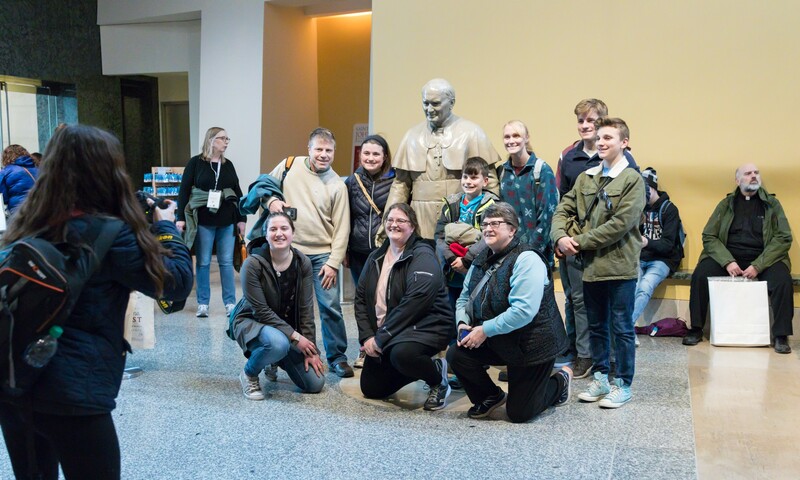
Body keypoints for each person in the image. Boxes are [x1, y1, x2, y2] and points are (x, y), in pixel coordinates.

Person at [0, 125, 193, 479]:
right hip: (74, 396)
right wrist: (166, 229)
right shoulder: (111, 234)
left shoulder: (24, 223)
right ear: (108, 171)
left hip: (15, 383)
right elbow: (176, 282)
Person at [551, 117, 645, 409]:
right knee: (597, 326)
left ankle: (622, 383)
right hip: (589, 267)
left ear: (624, 143)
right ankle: (601, 377)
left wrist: (577, 243)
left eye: (609, 138)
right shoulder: (586, 177)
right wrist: (559, 238)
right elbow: (562, 209)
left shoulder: (632, 180)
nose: (602, 143)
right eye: (600, 138)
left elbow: (620, 225)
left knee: (621, 327)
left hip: (619, 267)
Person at [446, 202, 570, 423]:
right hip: (500, 337)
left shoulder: (527, 259)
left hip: (533, 345)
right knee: (457, 353)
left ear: (512, 230)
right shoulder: (480, 258)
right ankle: (490, 396)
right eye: (485, 224)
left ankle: (560, 381)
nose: (488, 229)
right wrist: (462, 323)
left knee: (520, 413)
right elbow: (465, 297)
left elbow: (523, 312)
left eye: (496, 223)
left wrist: (484, 330)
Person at [266, 128, 353, 377]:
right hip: (289, 253)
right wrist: (271, 201)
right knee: (287, 306)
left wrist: (333, 262)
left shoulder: (338, 185)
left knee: (330, 306)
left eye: (329, 150)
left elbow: (341, 228)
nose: (324, 154)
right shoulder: (288, 165)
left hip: (323, 256)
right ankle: (281, 356)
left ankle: (337, 357)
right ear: (309, 149)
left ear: (334, 152)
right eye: (319, 149)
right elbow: (264, 188)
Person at [683, 164, 793, 354]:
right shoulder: (726, 204)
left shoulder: (772, 204)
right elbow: (709, 236)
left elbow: (784, 237)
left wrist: (758, 265)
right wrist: (727, 261)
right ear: (737, 180)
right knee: (701, 274)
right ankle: (696, 329)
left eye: (756, 173)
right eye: (748, 173)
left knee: (783, 280)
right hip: (729, 256)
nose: (753, 176)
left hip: (763, 258)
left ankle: (781, 335)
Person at [355, 203, 454, 410]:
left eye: (401, 221)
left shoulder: (423, 254)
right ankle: (422, 368)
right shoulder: (375, 257)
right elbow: (361, 299)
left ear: (413, 226)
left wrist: (382, 337)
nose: (394, 224)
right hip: (392, 331)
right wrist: (367, 337)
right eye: (390, 220)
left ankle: (437, 379)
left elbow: (415, 302)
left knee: (402, 355)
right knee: (372, 388)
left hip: (426, 326)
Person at [384, 78, 502, 239]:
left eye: (436, 103)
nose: (429, 109)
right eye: (425, 103)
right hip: (419, 218)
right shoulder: (411, 136)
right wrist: (388, 220)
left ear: (451, 103)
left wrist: (490, 223)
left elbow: (491, 184)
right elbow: (400, 185)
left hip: (461, 218)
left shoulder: (472, 133)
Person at [228, 212, 325, 400]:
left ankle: (272, 358)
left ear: (293, 233)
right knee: (278, 343)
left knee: (315, 383)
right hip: (252, 321)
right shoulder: (252, 264)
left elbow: (306, 311)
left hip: (284, 329)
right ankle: (249, 373)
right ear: (265, 235)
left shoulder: (302, 262)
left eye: (284, 228)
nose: (279, 233)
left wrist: (311, 351)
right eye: (273, 229)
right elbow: (262, 312)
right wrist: (297, 338)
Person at [176, 127, 246, 318]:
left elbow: (237, 193)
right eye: (222, 138)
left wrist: (242, 219)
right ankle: (203, 303)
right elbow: (184, 191)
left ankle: (230, 303)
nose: (226, 142)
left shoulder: (228, 164)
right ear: (211, 140)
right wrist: (180, 218)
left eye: (227, 139)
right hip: (204, 220)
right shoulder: (196, 163)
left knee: (226, 262)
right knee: (204, 262)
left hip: (227, 220)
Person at [345, 134, 395, 368]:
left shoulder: (396, 181)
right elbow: (345, 217)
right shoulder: (351, 182)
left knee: (385, 300)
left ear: (384, 156)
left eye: (376, 153)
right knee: (363, 302)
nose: (371, 158)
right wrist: (344, 249)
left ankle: (386, 345)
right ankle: (365, 347)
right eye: (366, 153)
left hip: (385, 252)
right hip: (358, 252)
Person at [434, 156, 499, 307]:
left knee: (473, 315)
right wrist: (451, 258)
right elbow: (439, 236)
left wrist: (467, 260)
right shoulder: (451, 203)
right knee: (450, 314)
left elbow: (489, 237)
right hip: (451, 271)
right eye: (465, 177)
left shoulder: (492, 205)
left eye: (474, 177)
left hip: (477, 270)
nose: (468, 181)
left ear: (485, 181)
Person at [499, 120, 559, 268]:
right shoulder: (501, 172)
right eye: (507, 137)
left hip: (537, 255)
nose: (511, 141)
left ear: (526, 138)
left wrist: (530, 253)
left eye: (516, 136)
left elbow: (547, 217)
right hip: (507, 255)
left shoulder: (542, 170)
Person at [632, 168, 684, 325]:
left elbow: (668, 245)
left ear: (653, 188)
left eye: (645, 190)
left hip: (663, 260)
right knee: (630, 287)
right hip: (641, 257)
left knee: (645, 286)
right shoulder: (638, 208)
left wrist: (647, 242)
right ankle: (625, 331)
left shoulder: (669, 210)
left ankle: (624, 329)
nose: (643, 195)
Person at [0, 144, 39, 215]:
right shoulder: (38, 169)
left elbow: (3, 196)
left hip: (19, 210)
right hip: (39, 208)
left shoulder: (6, 171)